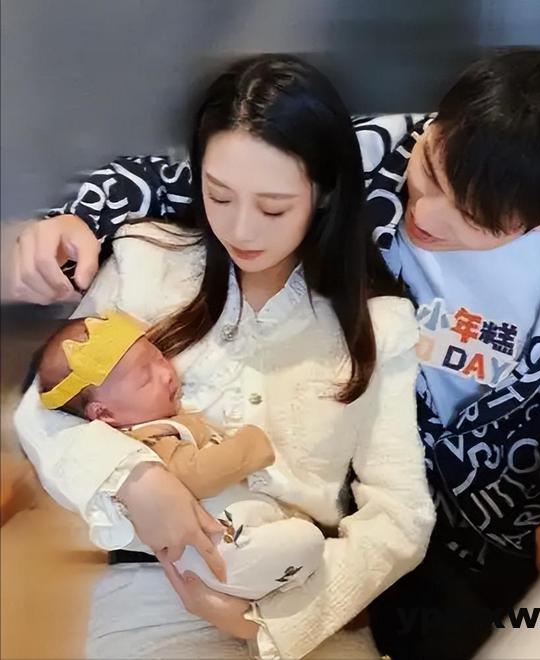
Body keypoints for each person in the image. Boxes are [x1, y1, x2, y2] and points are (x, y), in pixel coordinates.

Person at [13, 48, 540, 659]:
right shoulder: (367, 154)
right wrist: (78, 217)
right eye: (429, 174)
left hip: (506, 511)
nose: (423, 213)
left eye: (468, 215)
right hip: (339, 536)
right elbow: (207, 167)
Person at [14, 54, 435, 659]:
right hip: (152, 594)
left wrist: (276, 624)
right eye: (219, 196)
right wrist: (136, 479)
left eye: (273, 207)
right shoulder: (146, 260)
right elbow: (43, 412)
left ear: (323, 194)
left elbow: (401, 513)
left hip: (307, 597)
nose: (241, 229)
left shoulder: (379, 324)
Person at [36, 310, 327, 599]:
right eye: (145, 379)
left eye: (160, 358)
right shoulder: (146, 439)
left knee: (299, 540)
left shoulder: (163, 421)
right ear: (104, 414)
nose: (166, 374)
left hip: (229, 549)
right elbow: (194, 476)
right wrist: (251, 445)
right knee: (307, 540)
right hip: (222, 551)